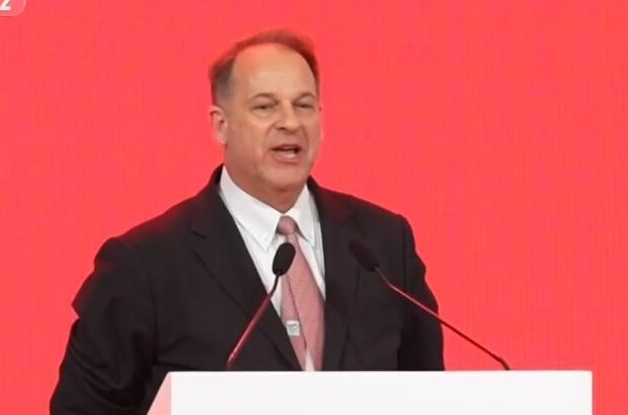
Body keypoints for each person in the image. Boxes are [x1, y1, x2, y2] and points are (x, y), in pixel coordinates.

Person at [50, 30, 444, 414]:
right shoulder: (145, 265)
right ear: (220, 125)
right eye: (265, 107)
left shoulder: (382, 244)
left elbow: (433, 397)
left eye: (304, 105)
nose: (290, 122)